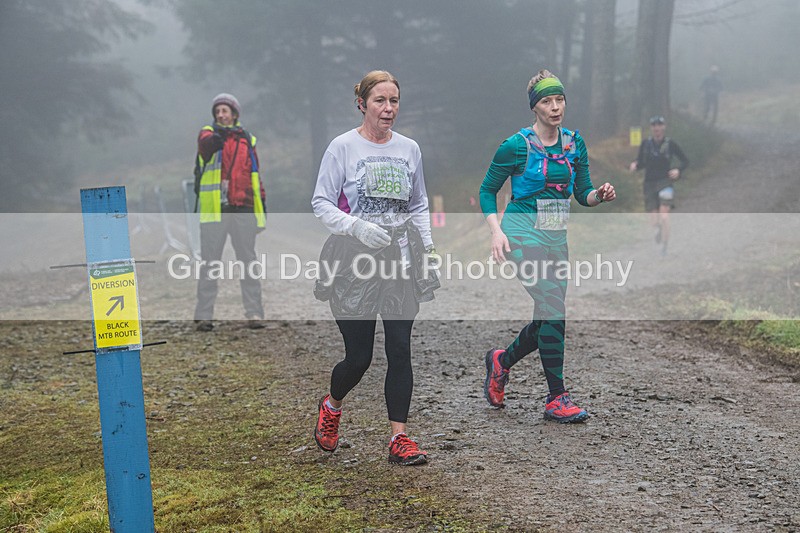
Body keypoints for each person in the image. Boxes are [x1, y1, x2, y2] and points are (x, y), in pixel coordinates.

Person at [311, 70, 439, 465]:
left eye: (394, 101)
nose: (388, 109)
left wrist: (429, 250)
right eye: (380, 101)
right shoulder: (342, 147)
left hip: (400, 262)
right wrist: (358, 227)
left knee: (400, 350)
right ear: (362, 103)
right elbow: (321, 202)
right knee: (360, 357)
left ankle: (399, 438)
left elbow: (417, 204)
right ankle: (332, 407)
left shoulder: (409, 149)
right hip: (354, 265)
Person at [479, 69, 616, 423]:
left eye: (559, 100)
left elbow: (582, 194)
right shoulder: (516, 146)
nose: (555, 107)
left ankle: (501, 361)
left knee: (547, 316)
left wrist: (598, 196)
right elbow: (486, 191)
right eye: (546, 101)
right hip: (521, 234)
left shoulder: (574, 144)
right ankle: (557, 397)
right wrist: (496, 231)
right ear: (534, 107)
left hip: (556, 239)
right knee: (554, 308)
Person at [193, 93, 267, 331]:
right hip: (215, 210)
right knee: (210, 263)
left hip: (243, 208)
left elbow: (256, 178)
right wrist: (220, 133)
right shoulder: (207, 134)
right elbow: (207, 145)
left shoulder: (248, 139)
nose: (220, 115)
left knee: (248, 261)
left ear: (234, 114)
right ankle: (204, 316)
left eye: (225, 111)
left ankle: (255, 313)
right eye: (217, 112)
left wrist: (260, 212)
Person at [629, 115, 688, 256]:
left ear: (663, 127)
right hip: (649, 184)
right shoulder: (646, 144)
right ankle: (658, 232)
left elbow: (685, 161)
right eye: (654, 126)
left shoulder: (670, 144)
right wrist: (635, 165)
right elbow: (641, 162)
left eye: (659, 126)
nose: (657, 129)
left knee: (664, 216)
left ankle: (664, 247)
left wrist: (678, 170)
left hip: (665, 182)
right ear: (651, 128)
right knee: (654, 220)